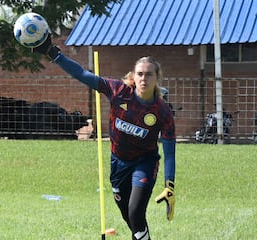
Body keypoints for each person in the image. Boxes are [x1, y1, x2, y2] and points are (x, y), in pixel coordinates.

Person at [34, 36, 176, 240]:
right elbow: (83, 74)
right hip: (118, 163)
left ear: (157, 78)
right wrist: (54, 53)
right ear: (134, 77)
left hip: (144, 163)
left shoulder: (162, 112)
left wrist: (169, 184)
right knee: (130, 218)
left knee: (136, 211)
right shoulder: (118, 91)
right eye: (140, 74)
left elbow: (170, 152)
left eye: (149, 74)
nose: (144, 78)